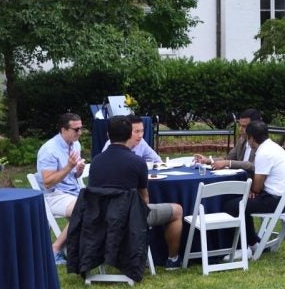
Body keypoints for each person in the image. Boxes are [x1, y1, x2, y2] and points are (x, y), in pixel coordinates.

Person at [90, 116, 186, 268]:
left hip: (100, 215)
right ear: (129, 135)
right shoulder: (137, 162)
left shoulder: (95, 161)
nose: (140, 135)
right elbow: (145, 199)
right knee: (177, 210)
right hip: (128, 217)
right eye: (137, 131)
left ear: (108, 135)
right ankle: (173, 259)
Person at [241, 120, 285, 256]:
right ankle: (253, 243)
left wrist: (252, 191)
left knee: (233, 205)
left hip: (276, 201)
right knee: (241, 203)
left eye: (247, 138)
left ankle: (246, 245)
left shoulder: (263, 153)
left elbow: (256, 187)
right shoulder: (273, 147)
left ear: (252, 138)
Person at [37, 113, 86, 258]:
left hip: (73, 191)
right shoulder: (49, 150)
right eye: (76, 129)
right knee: (85, 208)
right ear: (63, 130)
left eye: (81, 129)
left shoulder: (76, 144)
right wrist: (68, 167)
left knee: (100, 202)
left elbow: (72, 176)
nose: (80, 133)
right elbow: (48, 182)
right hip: (53, 194)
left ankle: (81, 250)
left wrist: (78, 171)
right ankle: (56, 248)